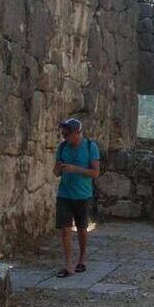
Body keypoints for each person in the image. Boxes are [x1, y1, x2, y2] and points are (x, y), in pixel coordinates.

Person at [52, 118, 100, 278]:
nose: (64, 136)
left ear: (77, 133)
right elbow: (55, 173)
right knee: (65, 230)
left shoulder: (90, 147)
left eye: (67, 133)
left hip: (83, 195)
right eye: (63, 133)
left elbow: (95, 173)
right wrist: (59, 169)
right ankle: (68, 264)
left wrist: (75, 169)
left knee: (82, 229)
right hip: (64, 194)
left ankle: (82, 259)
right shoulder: (62, 147)